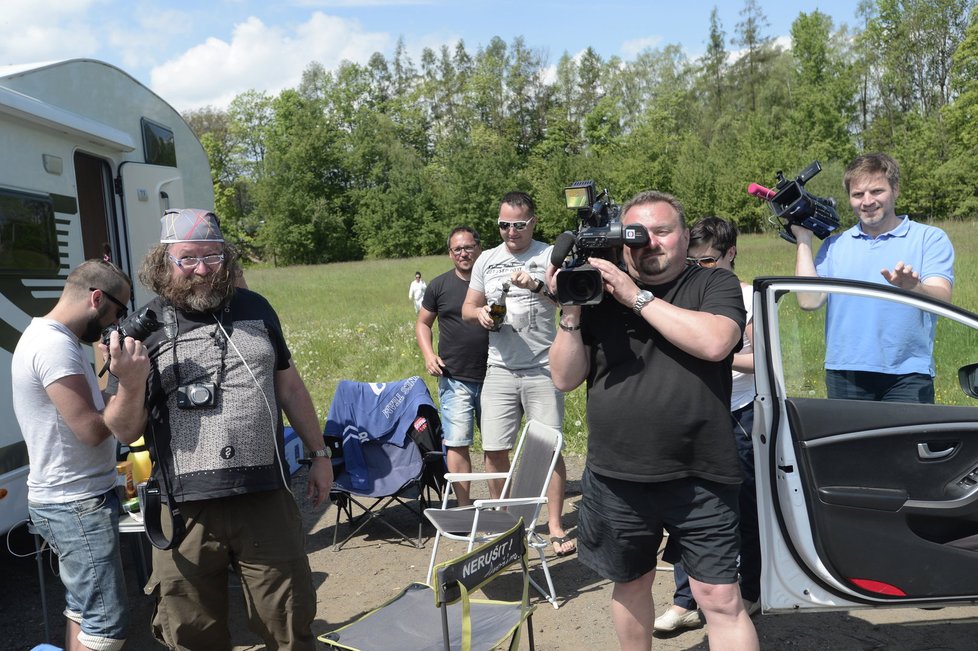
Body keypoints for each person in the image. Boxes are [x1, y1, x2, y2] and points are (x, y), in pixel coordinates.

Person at [549, 191, 758, 650]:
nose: (651, 243)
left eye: (662, 232)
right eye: (638, 235)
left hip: (701, 472)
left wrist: (636, 297)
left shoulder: (713, 285)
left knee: (720, 597)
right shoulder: (597, 294)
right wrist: (570, 307)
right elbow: (565, 378)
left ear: (684, 236)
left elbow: (717, 343)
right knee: (631, 585)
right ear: (623, 244)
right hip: (617, 473)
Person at [118, 208, 333, 650]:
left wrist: (320, 454)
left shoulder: (256, 308)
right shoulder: (142, 330)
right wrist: (131, 381)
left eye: (212, 258)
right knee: (191, 631)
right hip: (183, 508)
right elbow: (124, 431)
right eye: (188, 259)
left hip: (265, 498)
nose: (201, 270)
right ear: (163, 264)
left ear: (227, 259)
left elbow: (289, 386)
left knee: (289, 623)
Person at [12, 260, 150, 651]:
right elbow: (91, 430)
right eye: (119, 311)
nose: (117, 322)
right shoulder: (54, 345)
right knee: (106, 622)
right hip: (74, 502)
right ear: (96, 298)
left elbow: (98, 409)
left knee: (82, 606)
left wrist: (115, 374)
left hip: (69, 497)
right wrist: (134, 381)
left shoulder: (54, 337)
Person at [654, 217, 761, 634]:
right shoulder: (684, 292)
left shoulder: (750, 297)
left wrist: (709, 352)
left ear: (731, 253)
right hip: (692, 415)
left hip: (738, 413)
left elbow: (762, 362)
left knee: (743, 506)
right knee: (685, 509)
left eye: (708, 261)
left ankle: (749, 589)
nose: (698, 268)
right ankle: (686, 599)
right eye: (691, 261)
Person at [462, 191, 574, 557]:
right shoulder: (487, 260)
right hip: (500, 368)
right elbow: (468, 306)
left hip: (543, 365)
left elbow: (569, 304)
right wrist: (478, 315)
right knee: (494, 449)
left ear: (533, 223)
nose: (511, 232)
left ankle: (555, 525)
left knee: (549, 449)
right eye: (503, 225)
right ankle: (508, 524)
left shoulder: (548, 256)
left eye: (518, 225)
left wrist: (537, 285)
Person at [794, 153, 954, 403]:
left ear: (895, 190)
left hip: (908, 374)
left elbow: (943, 298)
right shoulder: (834, 246)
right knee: (852, 444)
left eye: (876, 191)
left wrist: (915, 288)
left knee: (906, 444)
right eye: (858, 195)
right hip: (845, 373)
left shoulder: (929, 239)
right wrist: (803, 239)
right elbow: (808, 301)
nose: (867, 201)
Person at [415, 227, 487, 506]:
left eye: (468, 247)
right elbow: (423, 323)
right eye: (457, 249)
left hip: (495, 375)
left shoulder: (491, 281)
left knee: (496, 447)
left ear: (478, 248)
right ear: (450, 254)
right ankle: (464, 507)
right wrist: (428, 355)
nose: (463, 253)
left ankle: (500, 507)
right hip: (454, 377)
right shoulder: (438, 286)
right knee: (457, 443)